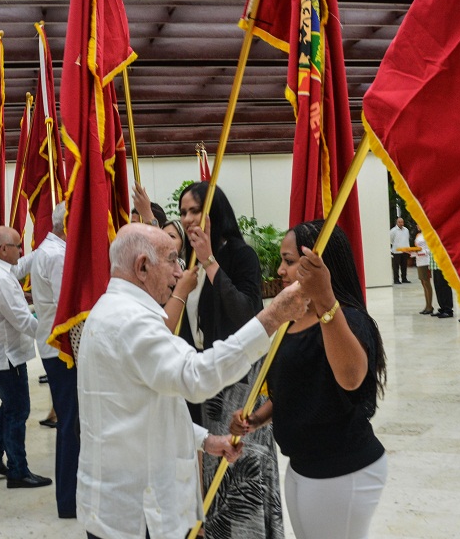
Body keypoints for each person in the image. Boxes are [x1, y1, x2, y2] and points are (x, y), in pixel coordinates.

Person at [76, 223, 308, 539]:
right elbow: (196, 377)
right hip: (137, 515)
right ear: (142, 266)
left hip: (121, 503)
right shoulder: (131, 322)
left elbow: (151, 405)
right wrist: (271, 317)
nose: (179, 271)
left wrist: (204, 440)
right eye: (172, 260)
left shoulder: (113, 310)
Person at [232, 219, 388, 539]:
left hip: (342, 470)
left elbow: (350, 378)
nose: (279, 270)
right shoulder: (293, 322)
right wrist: (259, 417)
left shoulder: (349, 320)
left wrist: (325, 300)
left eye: (289, 262)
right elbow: (296, 387)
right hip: (302, 468)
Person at [179, 181, 285, 539]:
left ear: (215, 212)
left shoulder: (241, 255)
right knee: (216, 464)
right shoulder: (190, 263)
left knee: (244, 466)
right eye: (183, 212)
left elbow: (246, 314)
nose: (188, 219)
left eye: (195, 210)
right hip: (210, 379)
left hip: (241, 378)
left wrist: (210, 261)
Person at [0, 226, 51, 488]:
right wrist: (53, 335)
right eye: (18, 245)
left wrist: (40, 253)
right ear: (3, 250)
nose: (21, 250)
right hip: (5, 357)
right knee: (19, 409)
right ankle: (18, 471)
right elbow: (21, 320)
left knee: (10, 405)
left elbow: (14, 276)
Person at [30, 202, 78, 517]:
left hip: (53, 348)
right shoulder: (58, 256)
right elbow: (70, 307)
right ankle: (68, 501)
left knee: (71, 421)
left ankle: (70, 497)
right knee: (70, 423)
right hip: (62, 350)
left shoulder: (48, 248)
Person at [413, 225, 434, 315]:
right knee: (423, 283)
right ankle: (427, 305)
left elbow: (430, 248)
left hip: (426, 261)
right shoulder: (418, 235)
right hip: (419, 260)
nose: (418, 226)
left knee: (426, 282)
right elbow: (416, 247)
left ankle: (430, 306)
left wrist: (423, 252)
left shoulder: (428, 234)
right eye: (417, 224)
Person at [429, 251, 454, 318]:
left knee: (444, 287)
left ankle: (448, 310)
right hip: (434, 263)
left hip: (443, 263)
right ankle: (442, 308)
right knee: (438, 287)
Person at [389, 217, 410, 284]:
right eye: (399, 222)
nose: (401, 223)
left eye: (402, 222)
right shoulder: (393, 230)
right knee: (396, 266)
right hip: (396, 251)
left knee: (404, 266)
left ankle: (404, 278)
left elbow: (407, 238)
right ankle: (396, 279)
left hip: (405, 251)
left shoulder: (406, 230)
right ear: (397, 223)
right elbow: (390, 240)